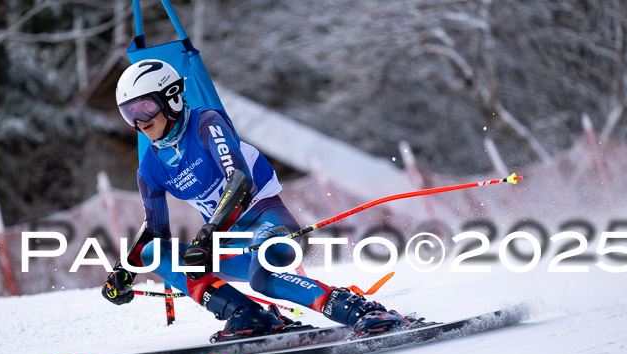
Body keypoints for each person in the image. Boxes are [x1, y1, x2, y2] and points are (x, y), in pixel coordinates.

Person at [102, 59, 414, 339]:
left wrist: (208, 234)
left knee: (262, 275)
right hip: (226, 244)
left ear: (171, 97)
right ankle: (248, 315)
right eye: (128, 112)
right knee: (154, 252)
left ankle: (360, 310)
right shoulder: (150, 169)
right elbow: (155, 231)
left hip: (266, 221)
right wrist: (125, 269)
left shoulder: (206, 124)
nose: (138, 120)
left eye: (144, 107)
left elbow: (240, 182)